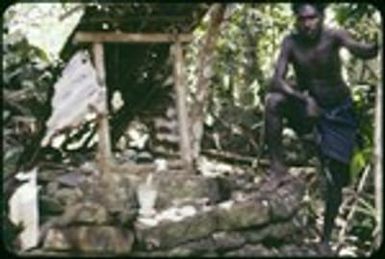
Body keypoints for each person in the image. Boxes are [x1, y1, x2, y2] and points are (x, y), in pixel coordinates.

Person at [264, 3, 379, 251]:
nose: (307, 24)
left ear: (322, 17)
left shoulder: (334, 36)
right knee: (273, 102)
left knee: (334, 179)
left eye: (312, 18)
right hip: (309, 108)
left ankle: (325, 240)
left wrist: (375, 45)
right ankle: (277, 168)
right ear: (296, 20)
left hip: (339, 112)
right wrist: (304, 99)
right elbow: (276, 80)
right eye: (302, 19)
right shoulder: (291, 42)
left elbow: (361, 50)